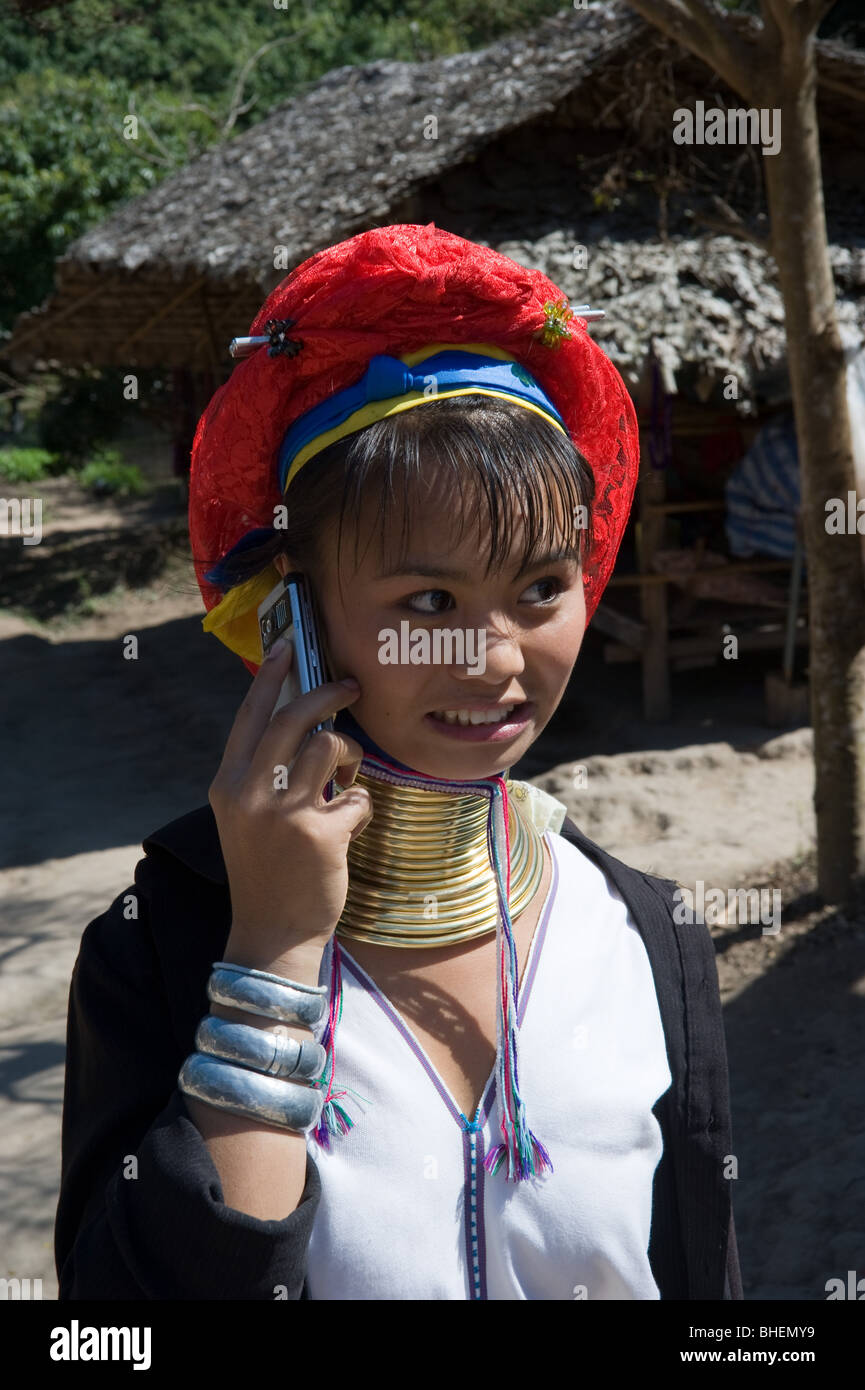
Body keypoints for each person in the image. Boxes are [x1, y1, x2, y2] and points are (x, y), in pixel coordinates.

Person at [55, 223, 742, 1301]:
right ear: (296, 609)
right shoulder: (159, 948)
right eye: (429, 601)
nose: (496, 657)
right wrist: (274, 950)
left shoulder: (646, 931)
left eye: (539, 588)